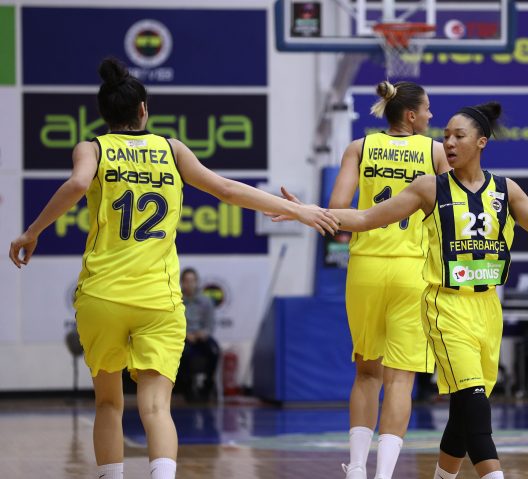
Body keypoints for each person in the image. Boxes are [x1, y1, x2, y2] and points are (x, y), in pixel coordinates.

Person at [8, 57, 338, 479]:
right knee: (156, 407)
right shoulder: (171, 149)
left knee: (108, 403)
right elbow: (227, 189)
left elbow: (76, 184)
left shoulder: (91, 148)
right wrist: (299, 210)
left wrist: (32, 232)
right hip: (158, 300)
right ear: (143, 110)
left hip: (102, 295)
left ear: (103, 114)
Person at [315, 101, 528, 479]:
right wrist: (307, 212)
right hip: (446, 307)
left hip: (487, 309)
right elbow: (366, 217)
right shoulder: (430, 188)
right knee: (476, 408)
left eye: (458, 136)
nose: (448, 142)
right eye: (445, 135)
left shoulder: (506, 190)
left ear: (481, 142)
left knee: (464, 416)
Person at [284, 80, 448, 479]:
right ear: (411, 115)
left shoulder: (359, 148)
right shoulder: (435, 152)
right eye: (427, 109)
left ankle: (356, 468)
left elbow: (338, 210)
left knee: (366, 372)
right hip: (412, 270)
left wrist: (304, 211)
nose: (431, 116)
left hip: (366, 268)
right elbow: (451, 212)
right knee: (401, 379)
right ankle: (384, 474)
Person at [176, 267, 220, 402]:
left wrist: (203, 333)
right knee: (183, 353)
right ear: (182, 282)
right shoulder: (176, 300)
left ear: (197, 282)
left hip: (201, 336)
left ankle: (208, 383)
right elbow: (174, 323)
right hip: (184, 337)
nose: (189, 284)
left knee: (214, 350)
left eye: (192, 281)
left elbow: (210, 324)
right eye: (186, 281)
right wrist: (185, 334)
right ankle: (187, 386)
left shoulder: (206, 301)